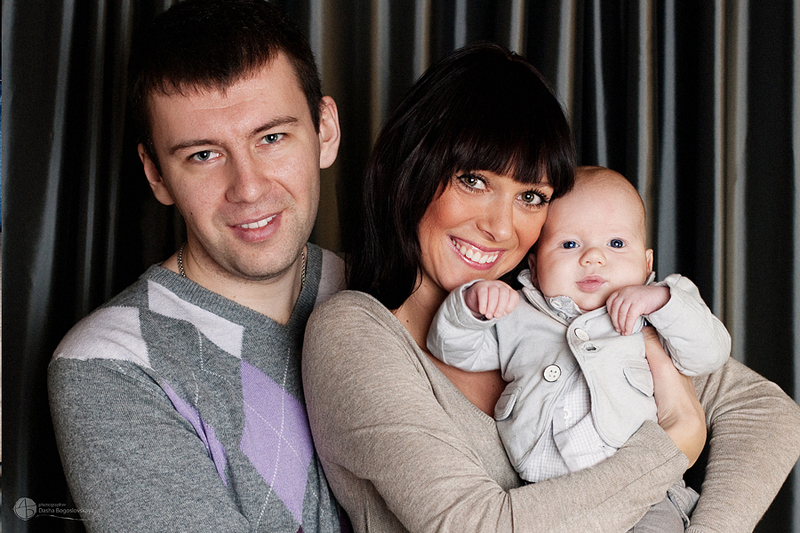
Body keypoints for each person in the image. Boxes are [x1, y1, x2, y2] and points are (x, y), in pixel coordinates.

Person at [302, 43, 800, 533]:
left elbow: (764, 411)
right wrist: (674, 444)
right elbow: (472, 525)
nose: (501, 228)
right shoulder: (354, 332)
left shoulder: (562, 308)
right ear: (409, 169)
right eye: (473, 180)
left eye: (531, 197)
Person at [47, 1, 346, 531]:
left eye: (271, 138)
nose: (248, 188)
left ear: (325, 130)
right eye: (203, 155)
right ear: (156, 174)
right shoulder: (112, 362)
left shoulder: (386, 291)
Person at [427, 166, 731, 532]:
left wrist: (664, 301)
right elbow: (453, 350)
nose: (593, 257)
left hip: (647, 499)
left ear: (647, 262)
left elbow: (709, 354)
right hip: (547, 498)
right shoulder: (515, 314)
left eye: (616, 244)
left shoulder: (654, 314)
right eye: (570, 245)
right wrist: (472, 305)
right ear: (535, 266)